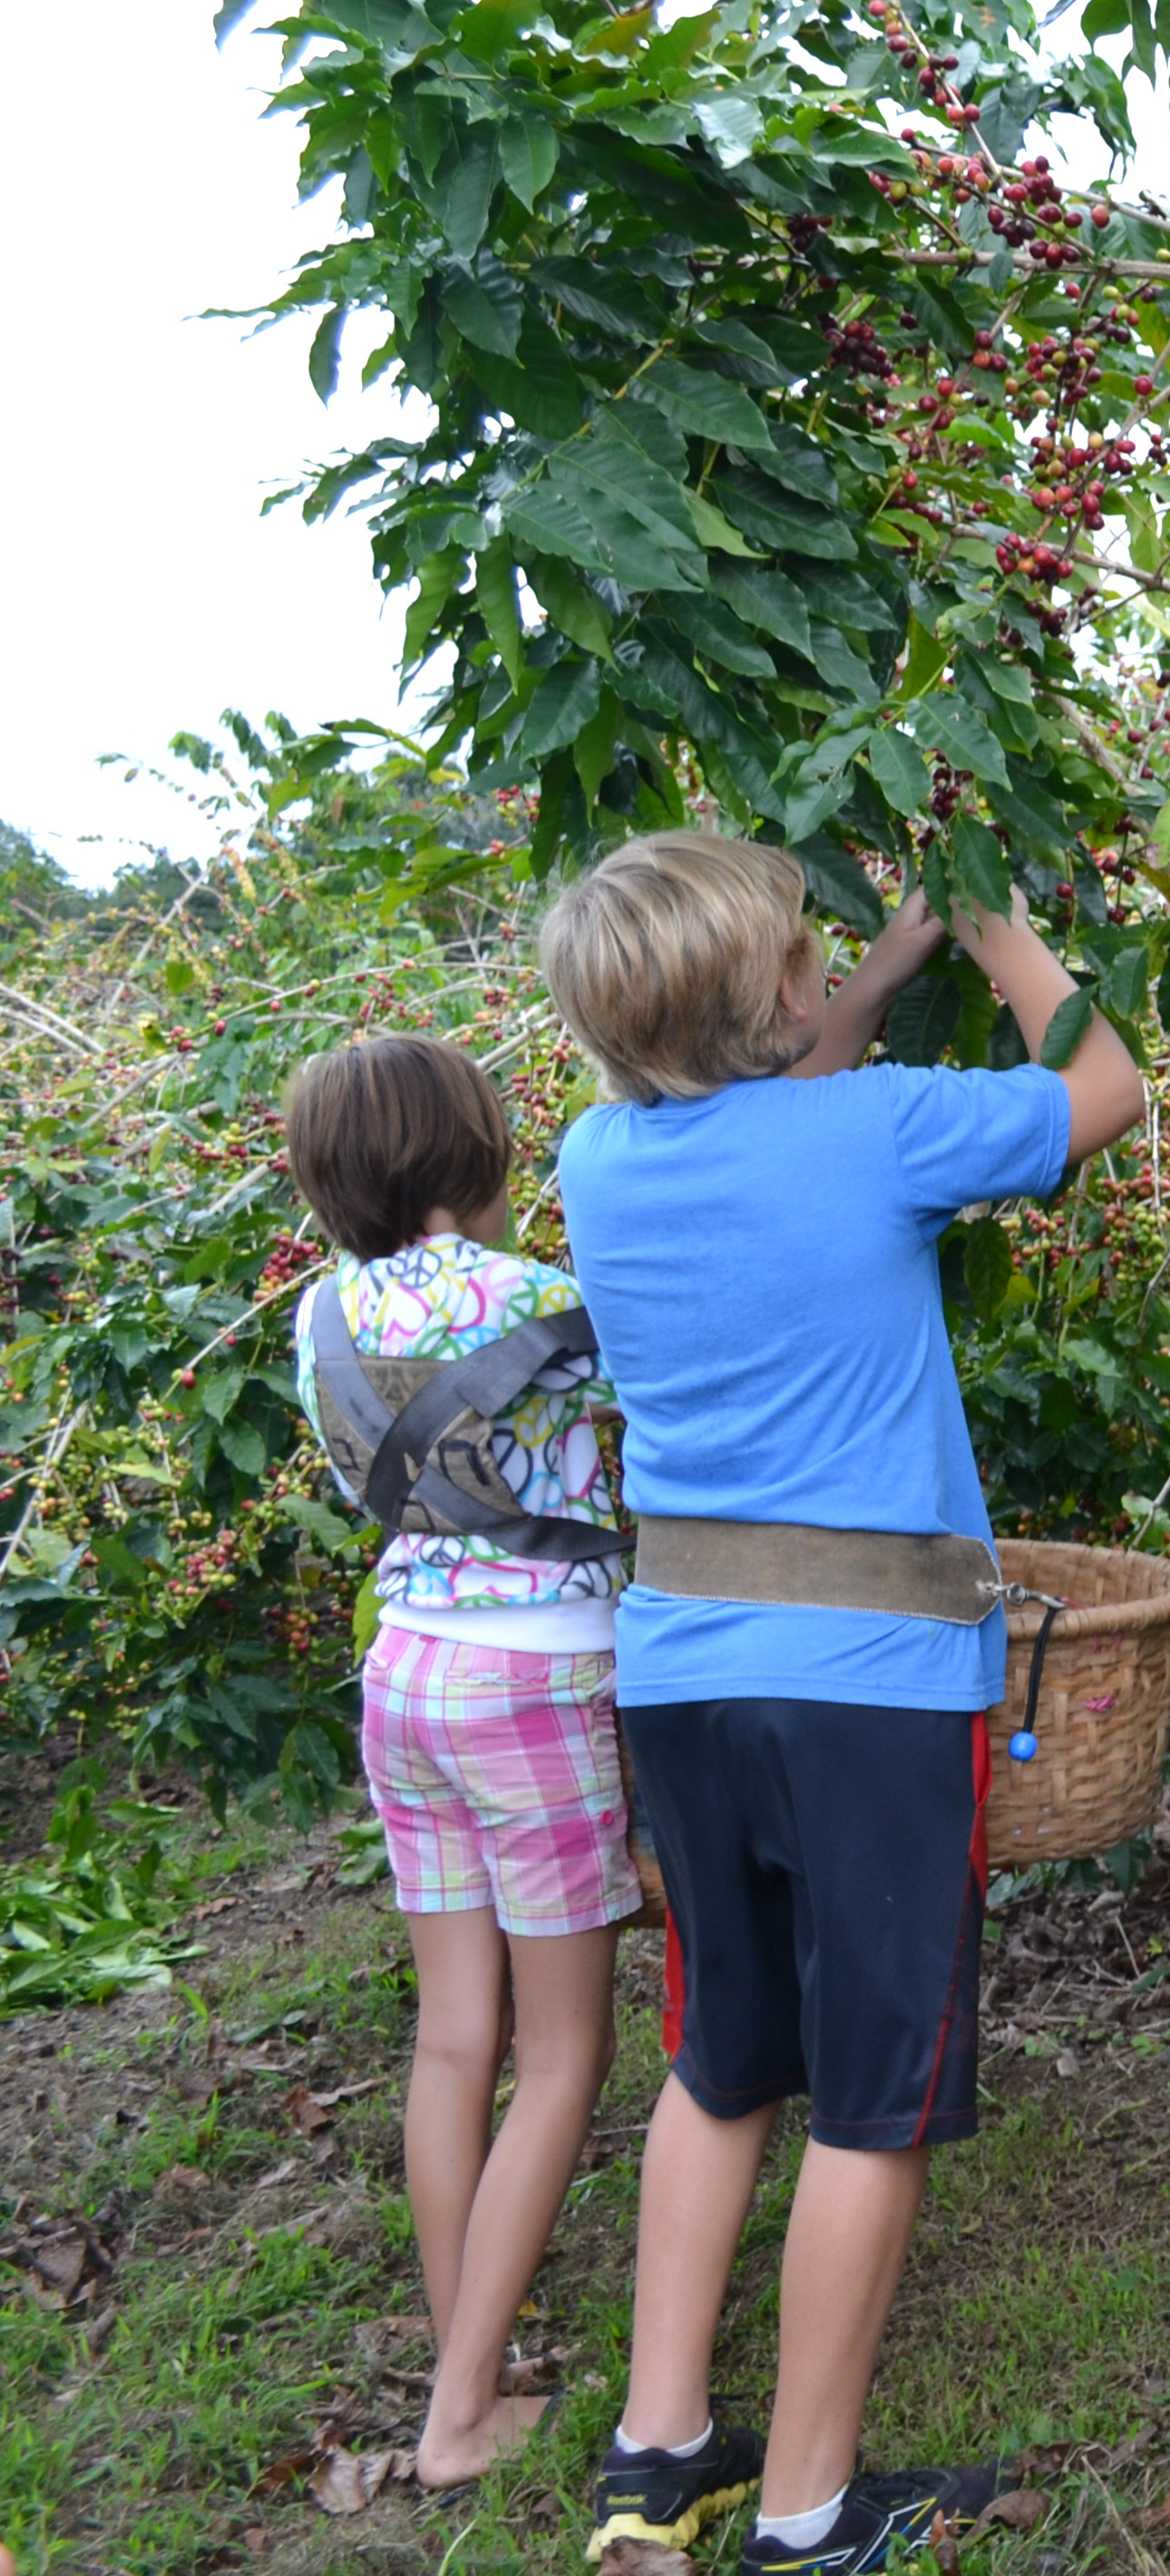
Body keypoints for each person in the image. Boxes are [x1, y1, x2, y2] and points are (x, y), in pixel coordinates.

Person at [538, 837, 1145, 2576]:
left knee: (723, 2056)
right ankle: (807, 2507)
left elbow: (760, 1085)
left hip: (684, 1677)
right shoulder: (881, 1137)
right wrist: (995, 915)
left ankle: (657, 2457)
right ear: (773, 998)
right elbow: (1102, 1081)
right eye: (807, 961)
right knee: (874, 2096)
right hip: (867, 1690)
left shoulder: (600, 1157)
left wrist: (865, 970)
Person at [282, 1033, 636, 2494]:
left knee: (453, 2040)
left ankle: (466, 2366)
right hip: (538, 1682)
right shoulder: (549, 1302)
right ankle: (459, 2415)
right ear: (478, 1152)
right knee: (564, 2052)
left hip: (408, 1673)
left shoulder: (318, 1319)